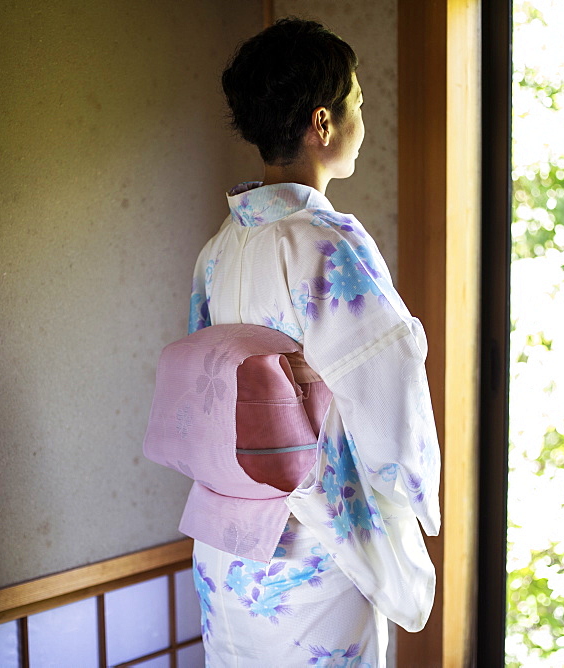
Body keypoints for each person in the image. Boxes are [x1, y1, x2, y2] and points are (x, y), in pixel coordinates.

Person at [187, 18, 441, 666]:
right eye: (358, 104)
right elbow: (388, 383)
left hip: (229, 543)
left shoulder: (218, 250)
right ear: (323, 124)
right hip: (311, 540)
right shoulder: (327, 244)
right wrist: (415, 491)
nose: (364, 120)